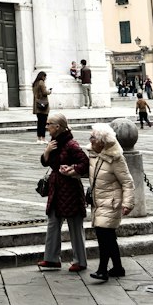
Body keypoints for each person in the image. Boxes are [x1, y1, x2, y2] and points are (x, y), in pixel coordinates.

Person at [36, 113, 89, 272]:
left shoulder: (71, 144)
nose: (47, 127)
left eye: (49, 124)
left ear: (57, 126)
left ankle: (80, 261)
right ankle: (51, 259)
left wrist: (71, 170)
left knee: (75, 225)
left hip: (71, 189)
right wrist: (47, 151)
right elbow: (46, 162)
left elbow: (85, 163)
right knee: (53, 222)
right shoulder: (54, 143)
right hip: (56, 188)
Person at [87, 123, 134, 281]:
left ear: (102, 141)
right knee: (109, 237)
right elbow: (92, 174)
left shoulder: (116, 158)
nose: (90, 140)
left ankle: (102, 270)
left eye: (93, 137)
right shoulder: (93, 154)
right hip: (98, 201)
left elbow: (127, 182)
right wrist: (72, 171)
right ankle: (118, 268)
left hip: (111, 202)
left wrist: (127, 204)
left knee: (103, 235)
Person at [31, 72, 50, 142]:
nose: (45, 78)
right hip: (43, 104)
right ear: (43, 76)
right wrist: (49, 91)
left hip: (37, 104)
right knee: (43, 122)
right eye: (45, 77)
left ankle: (38, 138)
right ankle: (43, 138)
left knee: (39, 123)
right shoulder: (41, 83)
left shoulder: (35, 83)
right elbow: (44, 92)